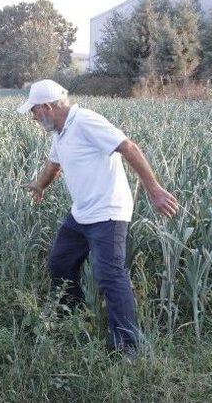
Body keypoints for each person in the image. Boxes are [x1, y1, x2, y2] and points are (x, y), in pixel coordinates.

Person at [18, 79, 178, 354]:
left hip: (108, 211)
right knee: (60, 262)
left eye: (33, 111)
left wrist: (154, 190)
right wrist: (39, 185)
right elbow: (54, 164)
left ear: (46, 107)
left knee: (109, 274)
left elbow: (128, 147)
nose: (33, 118)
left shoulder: (85, 122)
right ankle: (71, 316)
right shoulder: (60, 132)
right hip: (82, 213)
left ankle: (129, 347)